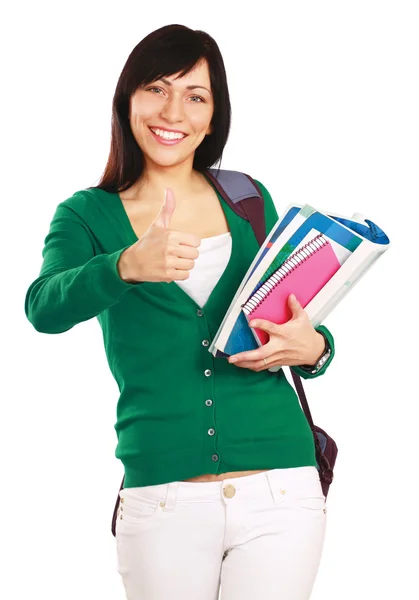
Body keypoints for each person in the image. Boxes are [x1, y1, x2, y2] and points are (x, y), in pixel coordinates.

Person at [25, 24, 336, 600]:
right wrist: (122, 266)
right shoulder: (87, 215)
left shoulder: (247, 198)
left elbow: (295, 314)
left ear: (214, 116)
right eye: (157, 88)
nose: (175, 111)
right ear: (128, 99)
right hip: (162, 495)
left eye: (196, 96)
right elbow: (43, 307)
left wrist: (315, 348)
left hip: (282, 490)